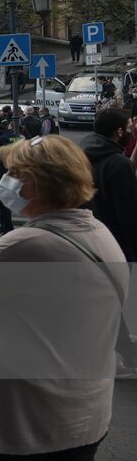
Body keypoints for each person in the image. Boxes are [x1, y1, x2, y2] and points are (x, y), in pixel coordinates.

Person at [0, 134, 128, 461]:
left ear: (38, 184)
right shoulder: (98, 231)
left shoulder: (27, 244)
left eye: (15, 173)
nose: (7, 180)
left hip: (23, 420)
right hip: (82, 413)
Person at [80, 107, 137, 376]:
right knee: (111, 305)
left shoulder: (83, 154)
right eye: (128, 127)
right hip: (116, 245)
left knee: (106, 303)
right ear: (118, 132)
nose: (130, 130)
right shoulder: (117, 164)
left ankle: (121, 354)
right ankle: (124, 355)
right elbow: (129, 214)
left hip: (88, 239)